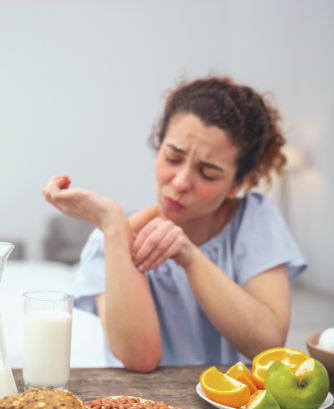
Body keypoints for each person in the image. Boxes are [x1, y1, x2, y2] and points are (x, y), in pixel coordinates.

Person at [43, 76, 307, 373]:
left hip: (234, 407)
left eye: (208, 173)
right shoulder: (108, 240)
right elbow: (140, 358)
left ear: (237, 183)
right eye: (172, 157)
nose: (180, 183)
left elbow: (269, 345)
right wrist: (113, 224)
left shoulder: (253, 219)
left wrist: (190, 256)